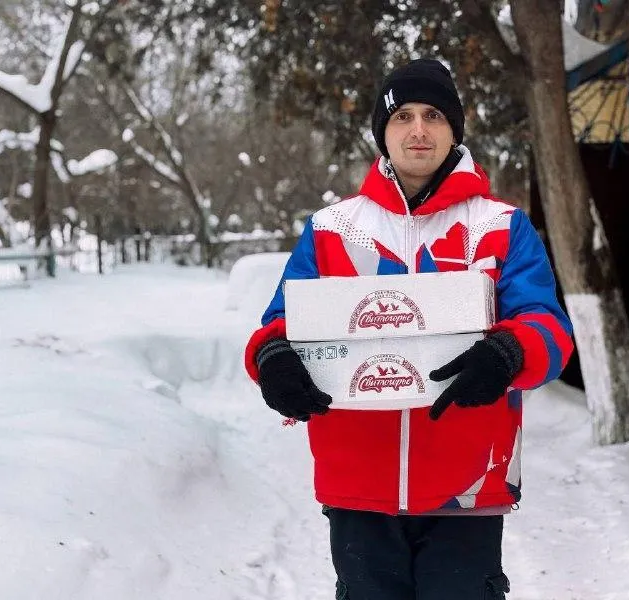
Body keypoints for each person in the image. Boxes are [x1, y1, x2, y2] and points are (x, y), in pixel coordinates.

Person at [244, 58, 574, 600]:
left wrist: (509, 352)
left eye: (433, 115)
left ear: (454, 129)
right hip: (357, 483)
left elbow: (549, 328)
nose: (418, 129)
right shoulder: (332, 229)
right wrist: (273, 358)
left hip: (467, 482)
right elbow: (281, 322)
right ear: (383, 131)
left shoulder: (499, 225)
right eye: (403, 116)